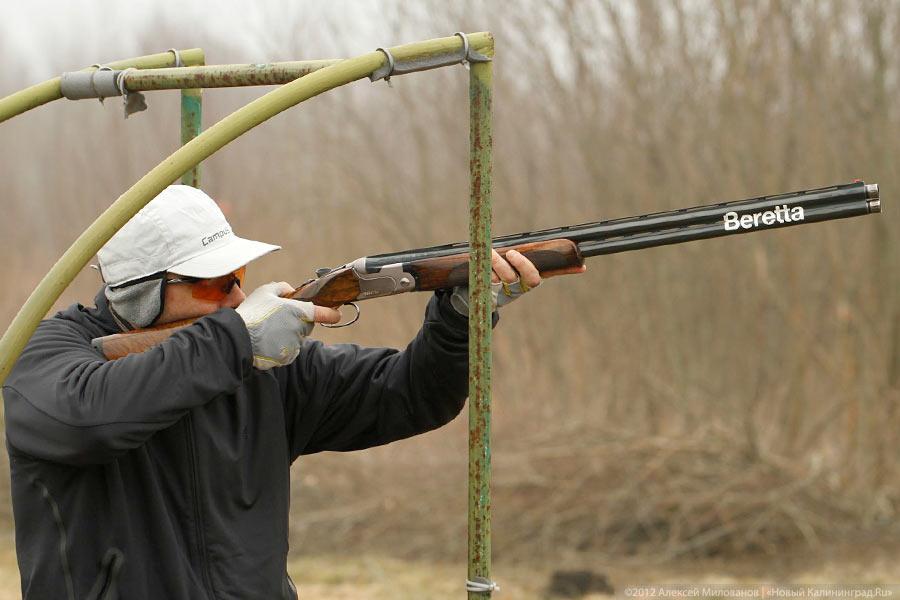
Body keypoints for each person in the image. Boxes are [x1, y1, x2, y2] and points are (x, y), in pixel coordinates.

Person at [3, 185, 581, 599]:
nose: (234, 296)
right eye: (211, 282)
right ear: (137, 293)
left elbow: (409, 394)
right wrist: (233, 341)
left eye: (239, 278)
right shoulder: (47, 351)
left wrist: (457, 319)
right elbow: (84, 420)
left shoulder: (261, 362)